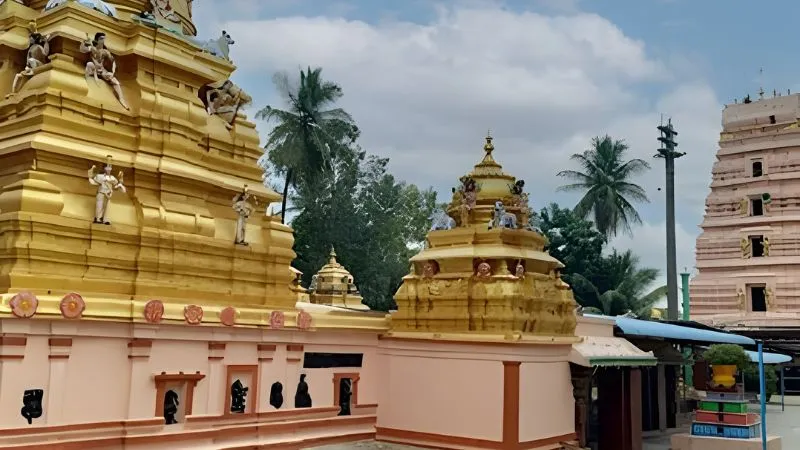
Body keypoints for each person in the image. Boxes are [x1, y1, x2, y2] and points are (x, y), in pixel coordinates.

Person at [80, 32, 129, 110]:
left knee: (115, 82)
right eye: (101, 39)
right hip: (93, 68)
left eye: (104, 38)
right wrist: (85, 42)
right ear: (97, 40)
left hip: (102, 70)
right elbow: (82, 50)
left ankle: (121, 99)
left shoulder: (105, 52)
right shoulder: (92, 48)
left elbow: (113, 62)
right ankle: (85, 84)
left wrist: (112, 73)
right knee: (89, 64)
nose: (103, 40)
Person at [8, 31, 53, 97]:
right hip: (31, 67)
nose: (30, 39)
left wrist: (46, 42)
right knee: (18, 76)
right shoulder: (33, 47)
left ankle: (16, 92)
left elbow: (44, 55)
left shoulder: (38, 47)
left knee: (29, 63)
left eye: (31, 38)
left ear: (35, 39)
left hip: (36, 67)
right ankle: (14, 92)